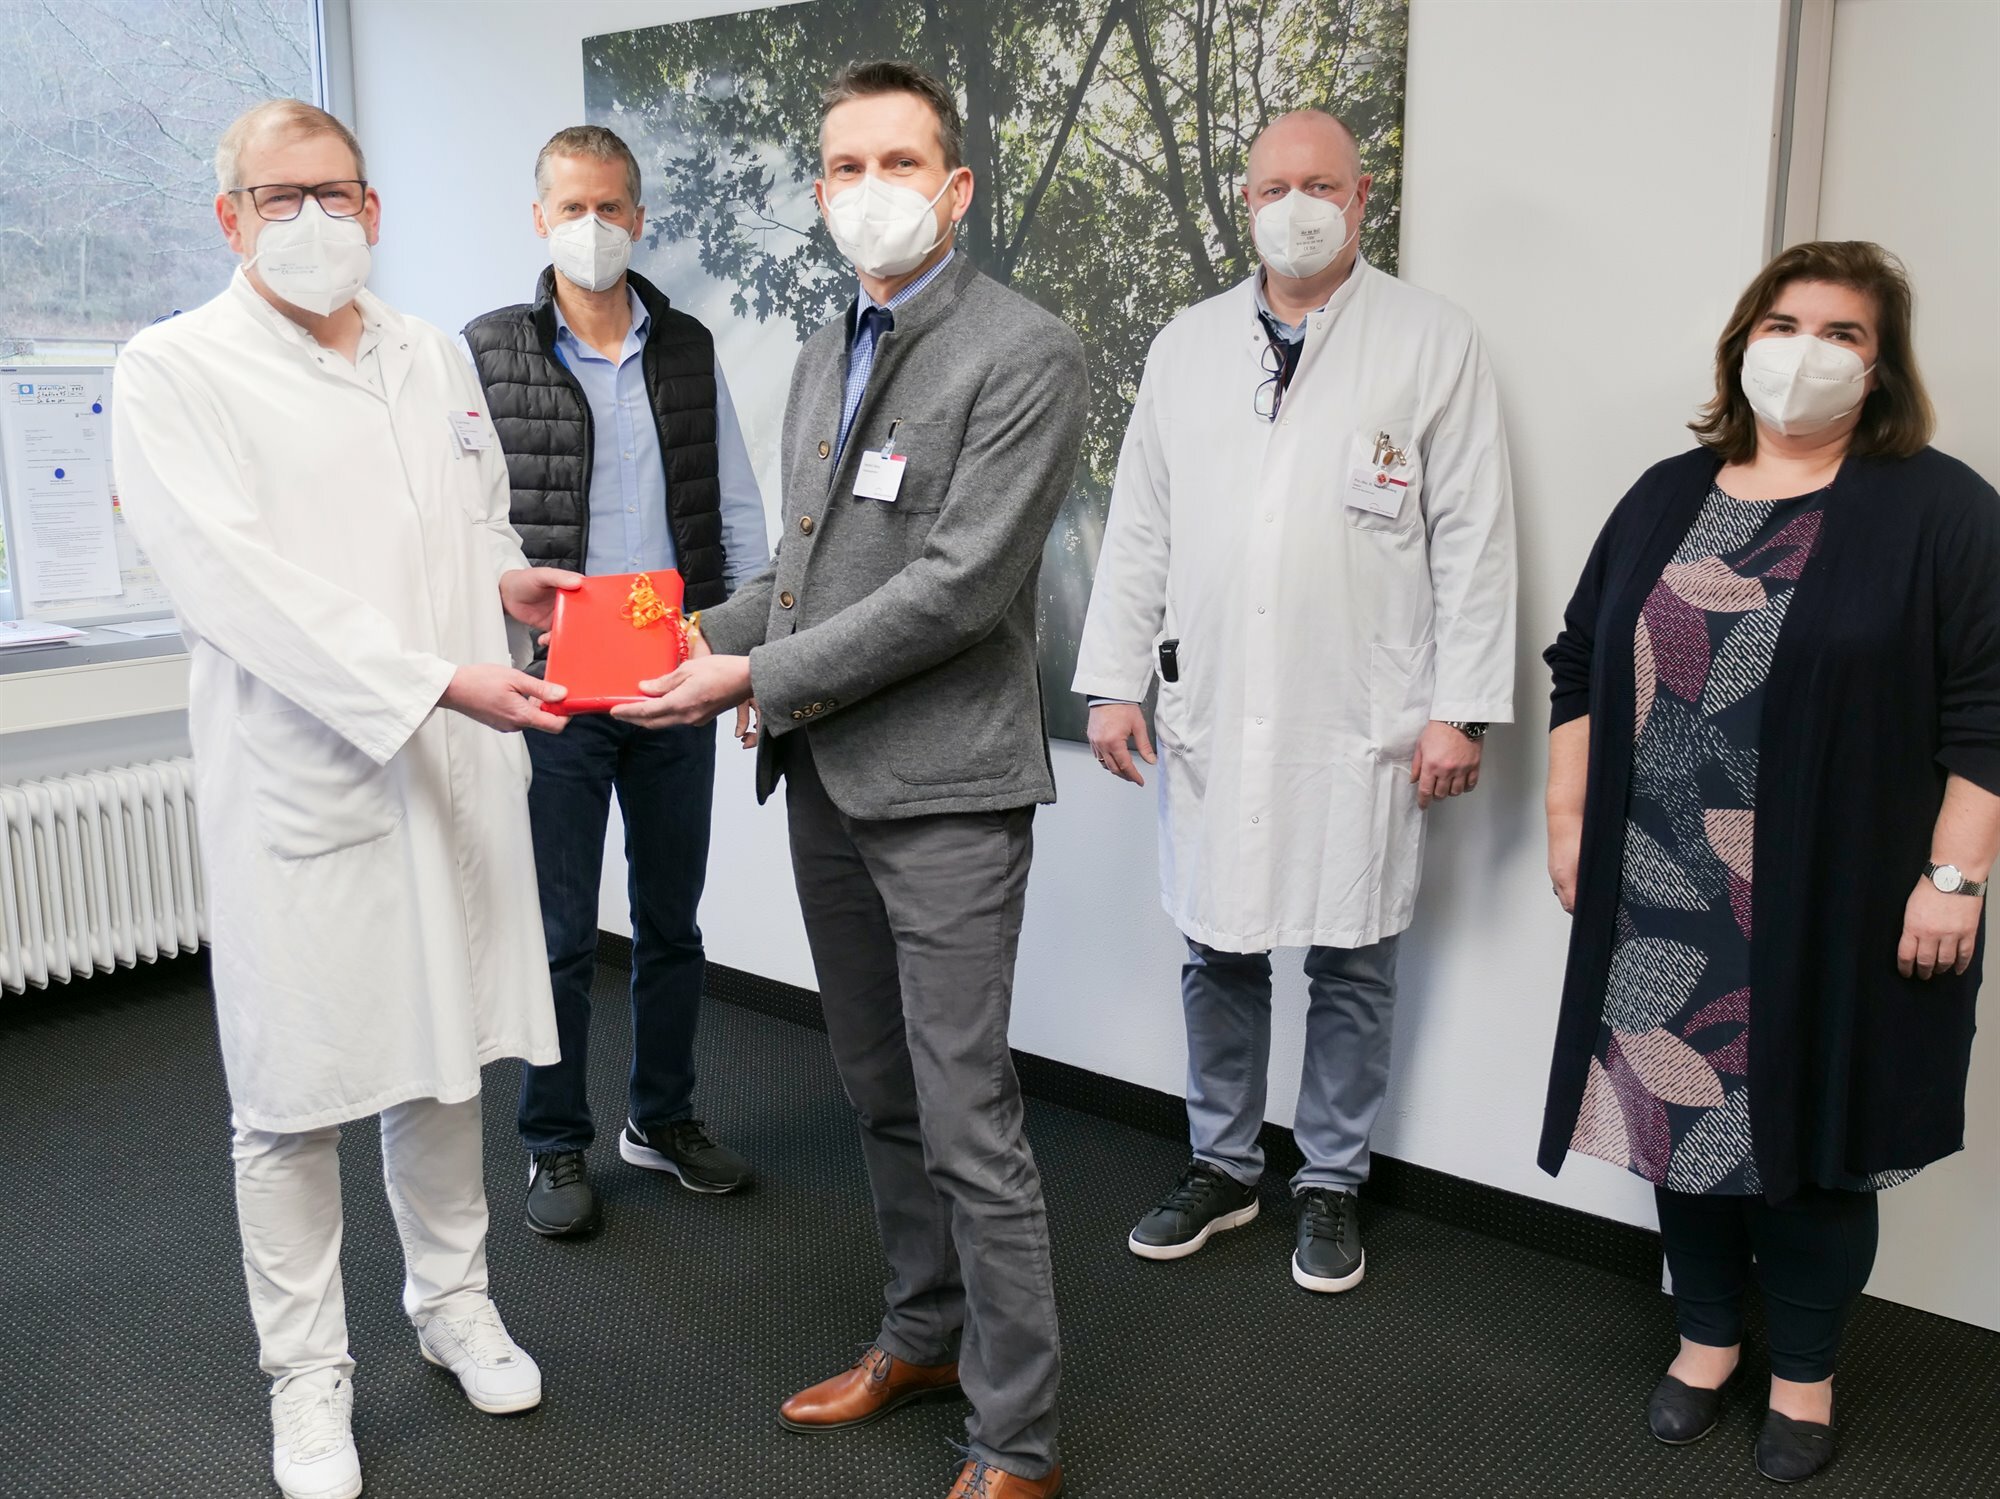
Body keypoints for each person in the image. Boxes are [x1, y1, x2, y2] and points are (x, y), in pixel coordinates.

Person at [612, 59, 1085, 1499]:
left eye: (899, 162)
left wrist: (750, 676)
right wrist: (692, 634)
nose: (869, 190)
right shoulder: (828, 348)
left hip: (947, 791)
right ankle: (923, 1335)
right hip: (827, 775)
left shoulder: (1026, 350)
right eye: (844, 166)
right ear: (819, 189)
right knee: (876, 1088)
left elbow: (958, 587)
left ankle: (1017, 1436)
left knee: (966, 1112)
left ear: (956, 186)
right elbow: (803, 567)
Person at [111, 101, 577, 1499]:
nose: (314, 219)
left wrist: (507, 581)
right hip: (305, 774)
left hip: (445, 761)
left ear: (373, 208)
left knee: (443, 1054)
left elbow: (473, 515)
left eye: (338, 193)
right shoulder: (172, 368)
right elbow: (235, 586)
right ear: (231, 215)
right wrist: (433, 678)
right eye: (281, 195)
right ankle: (307, 1372)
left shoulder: (428, 351)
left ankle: (452, 1299)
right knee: (292, 1088)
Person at [1541, 240, 2000, 1484]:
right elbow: (1577, 660)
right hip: (1658, 884)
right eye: (1783, 323)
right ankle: (1704, 1337)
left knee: (1814, 1141)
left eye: (1842, 332)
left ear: (1880, 364)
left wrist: (1953, 879)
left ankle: (1802, 1369)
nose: (1806, 352)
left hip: (1837, 899)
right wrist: (1568, 819)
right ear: (1741, 342)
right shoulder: (1664, 492)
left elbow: (1986, 708)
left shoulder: (1938, 507)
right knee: (1678, 1114)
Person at [1072, 109, 1516, 1293]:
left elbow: (1472, 535)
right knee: (1215, 946)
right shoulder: (1186, 343)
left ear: (1361, 198)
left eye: (1320, 184)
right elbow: (1141, 524)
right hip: (1215, 698)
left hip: (1361, 706)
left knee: (1352, 956)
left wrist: (1461, 707)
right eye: (1273, 186)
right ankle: (1221, 1164)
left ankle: (1329, 1178)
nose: (1296, 206)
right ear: (1246, 201)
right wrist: (1111, 680)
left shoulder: (1430, 339)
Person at [462, 125, 770, 1238]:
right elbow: (462, 522)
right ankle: (553, 1141)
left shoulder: (685, 346)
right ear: (539, 218)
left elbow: (735, 511)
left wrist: (748, 661)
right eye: (570, 207)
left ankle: (662, 1116)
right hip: (552, 691)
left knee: (670, 919)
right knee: (557, 931)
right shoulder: (488, 351)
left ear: (637, 218)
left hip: (674, 678)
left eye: (609, 207)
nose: (590, 226)